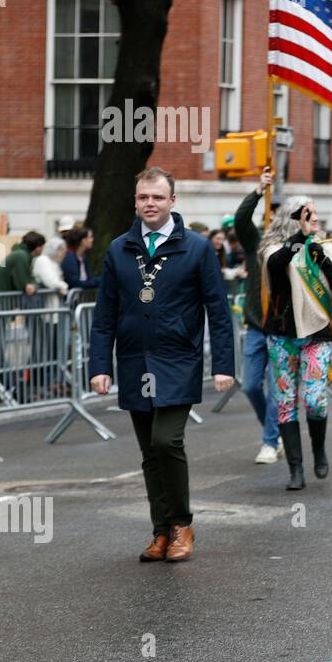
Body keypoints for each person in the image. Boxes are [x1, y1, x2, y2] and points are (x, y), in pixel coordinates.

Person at [88, 167, 235, 563]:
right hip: (135, 362)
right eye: (142, 198)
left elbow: (218, 311)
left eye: (157, 197)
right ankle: (160, 532)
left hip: (177, 360)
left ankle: (182, 525)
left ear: (173, 201)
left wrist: (224, 364)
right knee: (148, 453)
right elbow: (105, 314)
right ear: (135, 201)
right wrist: (98, 365)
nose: (149, 204)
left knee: (165, 440)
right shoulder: (120, 248)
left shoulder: (197, 248)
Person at [261, 195, 332, 490]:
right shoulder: (277, 249)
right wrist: (300, 239)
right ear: (292, 218)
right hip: (282, 335)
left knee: (314, 400)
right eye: (306, 213)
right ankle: (296, 469)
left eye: (315, 213)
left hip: (316, 336)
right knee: (286, 403)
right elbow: (276, 267)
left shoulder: (325, 249)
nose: (313, 218)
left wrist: (322, 258)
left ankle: (319, 450)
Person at [232, 170, 283, 465]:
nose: (273, 217)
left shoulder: (294, 246)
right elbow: (240, 220)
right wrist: (258, 192)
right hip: (255, 325)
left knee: (277, 388)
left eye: (278, 214)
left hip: (282, 328)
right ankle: (275, 433)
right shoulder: (255, 243)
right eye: (270, 212)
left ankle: (269, 441)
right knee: (251, 385)